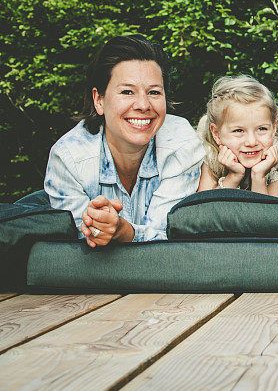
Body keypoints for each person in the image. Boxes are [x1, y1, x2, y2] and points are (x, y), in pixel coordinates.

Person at [44, 34, 204, 246]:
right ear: (99, 100)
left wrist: (126, 232)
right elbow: (74, 246)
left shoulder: (182, 145)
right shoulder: (68, 158)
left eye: (154, 92)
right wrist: (98, 230)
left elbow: (172, 235)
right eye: (127, 91)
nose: (143, 105)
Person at [196, 75, 278, 193]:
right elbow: (205, 208)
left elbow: (266, 211)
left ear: (273, 128)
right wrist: (234, 176)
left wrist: (258, 176)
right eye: (238, 131)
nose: (251, 142)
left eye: (262, 129)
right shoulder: (212, 153)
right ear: (216, 134)